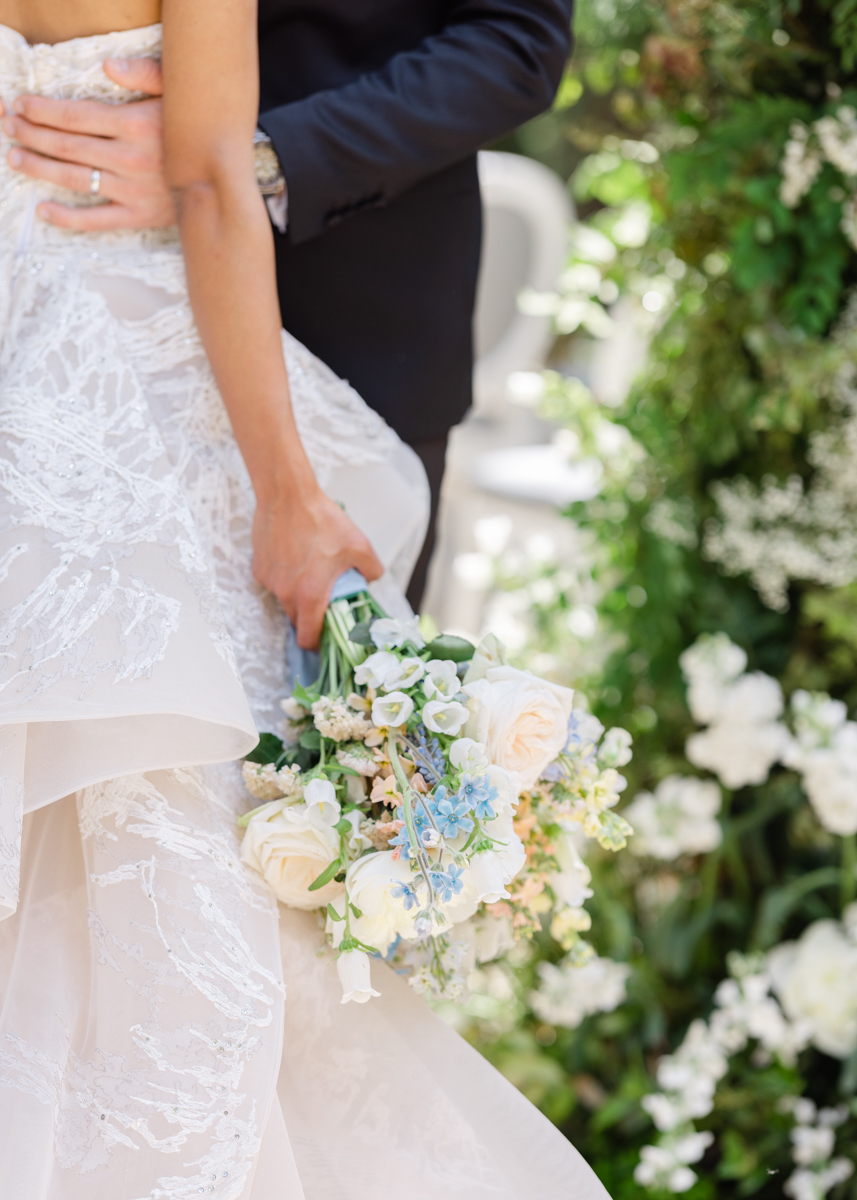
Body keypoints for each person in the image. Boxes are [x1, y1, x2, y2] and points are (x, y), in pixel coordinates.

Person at [0, 3, 611, 1199]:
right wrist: (288, 495)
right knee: (209, 902)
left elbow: (514, 37)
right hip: (160, 397)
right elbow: (210, 185)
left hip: (319, 322)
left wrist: (261, 159)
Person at [1, 0, 575, 611]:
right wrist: (208, 156)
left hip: (359, 315)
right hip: (71, 323)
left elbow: (517, 43)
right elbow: (208, 175)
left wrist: (246, 156)